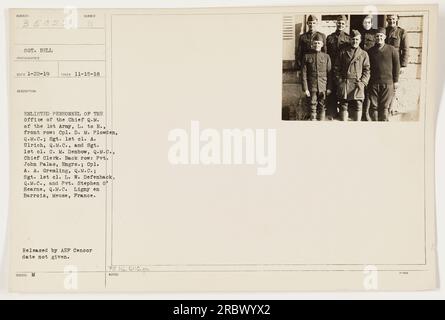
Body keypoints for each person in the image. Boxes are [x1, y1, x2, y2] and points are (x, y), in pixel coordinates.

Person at [333, 30, 370, 121]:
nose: (355, 41)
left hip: (357, 83)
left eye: (357, 40)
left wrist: (363, 82)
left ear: (360, 40)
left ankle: (357, 125)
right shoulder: (343, 52)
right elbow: (336, 68)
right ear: (349, 40)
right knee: (343, 104)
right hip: (345, 82)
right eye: (353, 39)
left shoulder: (364, 54)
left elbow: (367, 70)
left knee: (358, 104)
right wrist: (339, 82)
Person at [367, 28, 400, 121]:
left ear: (385, 37)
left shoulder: (392, 50)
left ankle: (383, 127)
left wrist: (396, 81)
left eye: (381, 36)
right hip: (374, 83)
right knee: (374, 106)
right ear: (374, 38)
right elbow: (367, 67)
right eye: (377, 36)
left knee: (385, 107)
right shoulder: (370, 51)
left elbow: (397, 66)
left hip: (388, 83)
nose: (379, 38)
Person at [301, 33, 332, 121]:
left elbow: (330, 74)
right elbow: (304, 73)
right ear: (312, 44)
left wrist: (329, 87)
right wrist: (305, 88)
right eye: (315, 43)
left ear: (322, 44)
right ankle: (313, 121)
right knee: (312, 104)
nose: (317, 45)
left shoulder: (326, 57)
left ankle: (321, 121)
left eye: (319, 43)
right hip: (312, 85)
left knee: (323, 104)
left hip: (323, 85)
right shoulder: (306, 56)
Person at [326, 15, 350, 120]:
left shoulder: (348, 38)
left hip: (343, 67)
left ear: (345, 25)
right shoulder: (330, 37)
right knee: (332, 88)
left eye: (343, 23)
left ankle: (343, 112)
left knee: (342, 89)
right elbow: (325, 53)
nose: (340, 25)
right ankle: (332, 112)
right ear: (336, 23)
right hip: (331, 66)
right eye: (339, 23)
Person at [359, 15, 377, 121]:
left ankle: (367, 112)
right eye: (365, 22)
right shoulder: (359, 33)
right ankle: (360, 112)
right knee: (362, 87)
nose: (367, 24)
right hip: (361, 63)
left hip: (372, 64)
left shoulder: (375, 34)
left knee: (369, 89)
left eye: (369, 22)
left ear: (371, 23)